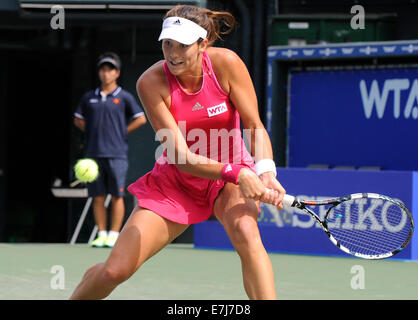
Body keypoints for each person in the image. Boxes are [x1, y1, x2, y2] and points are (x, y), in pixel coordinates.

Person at [70, 5, 285, 300]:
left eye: (182, 45)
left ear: (203, 44)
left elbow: (254, 125)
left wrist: (266, 171)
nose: (172, 54)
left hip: (230, 175)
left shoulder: (227, 65)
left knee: (248, 235)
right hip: (178, 181)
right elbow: (182, 158)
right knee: (114, 271)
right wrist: (239, 172)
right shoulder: (150, 82)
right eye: (167, 44)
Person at [73, 52, 147, 248]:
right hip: (93, 155)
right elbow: (78, 119)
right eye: (103, 70)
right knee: (97, 197)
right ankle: (102, 234)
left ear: (117, 73)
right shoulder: (89, 98)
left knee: (117, 195)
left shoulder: (124, 97)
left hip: (117, 154)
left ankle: (114, 235)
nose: (106, 74)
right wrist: (92, 131)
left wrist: (122, 131)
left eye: (110, 70)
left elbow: (141, 118)